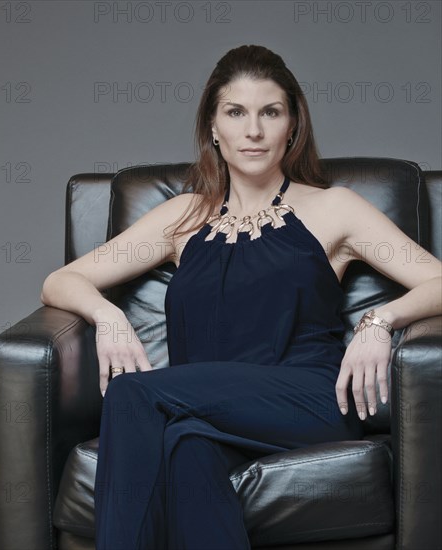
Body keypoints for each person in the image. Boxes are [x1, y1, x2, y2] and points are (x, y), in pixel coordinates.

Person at [41, 45, 441, 550]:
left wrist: (380, 321)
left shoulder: (333, 209)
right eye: (235, 112)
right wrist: (109, 315)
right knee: (186, 453)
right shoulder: (182, 216)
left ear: (292, 126)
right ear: (213, 126)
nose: (253, 130)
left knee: (132, 393)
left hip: (309, 399)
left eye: (270, 112)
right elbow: (61, 282)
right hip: (199, 415)